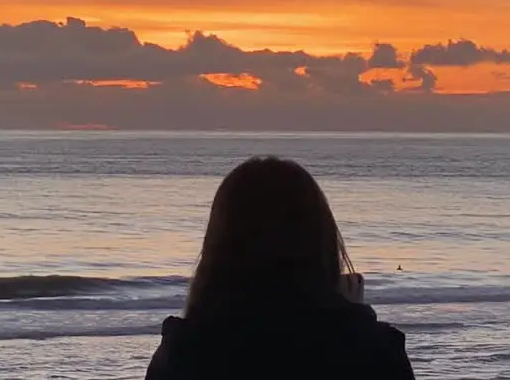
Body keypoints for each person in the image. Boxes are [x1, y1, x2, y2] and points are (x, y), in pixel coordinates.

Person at [145, 156, 415, 380]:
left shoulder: (183, 354)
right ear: (320, 241)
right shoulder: (375, 351)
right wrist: (353, 319)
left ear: (220, 249)